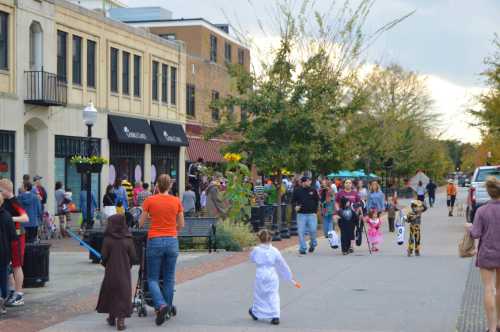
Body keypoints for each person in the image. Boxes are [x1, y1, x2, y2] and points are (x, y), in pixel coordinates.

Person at [139, 174, 184, 326]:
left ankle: (161, 305)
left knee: (152, 278)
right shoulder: (176, 201)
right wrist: (172, 229)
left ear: (157, 185)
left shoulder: (149, 200)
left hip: (155, 240)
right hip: (172, 240)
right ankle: (168, 308)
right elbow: (181, 224)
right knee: (169, 278)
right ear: (170, 186)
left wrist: (152, 218)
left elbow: (141, 222)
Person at [466, 176, 500, 332]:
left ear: (488, 192)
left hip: (487, 253)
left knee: (489, 289)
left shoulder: (482, 210)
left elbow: (476, 233)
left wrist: (469, 227)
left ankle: (492, 328)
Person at [248, 229, 300, 325]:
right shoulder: (274, 250)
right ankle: (275, 315)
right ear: (271, 239)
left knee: (260, 294)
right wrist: (289, 276)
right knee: (273, 294)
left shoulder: (256, 250)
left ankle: (256, 312)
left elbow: (251, 259)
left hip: (260, 274)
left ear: (259, 239)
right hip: (272, 274)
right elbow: (282, 264)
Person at [96, 214, 136, 331]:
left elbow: (103, 257)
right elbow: (133, 256)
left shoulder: (108, 239)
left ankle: (112, 317)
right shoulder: (128, 239)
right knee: (123, 294)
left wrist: (105, 263)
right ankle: (121, 321)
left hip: (111, 271)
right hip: (124, 271)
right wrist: (130, 264)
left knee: (111, 292)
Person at [0, 179, 29, 307]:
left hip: (17, 237)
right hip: (9, 237)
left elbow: (25, 217)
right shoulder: (6, 202)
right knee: (9, 265)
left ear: (6, 190)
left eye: (0, 190)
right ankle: (12, 291)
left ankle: (19, 294)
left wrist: (8, 218)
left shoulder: (14, 202)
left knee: (16, 265)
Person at [292, 176, 319, 255]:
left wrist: (316, 211)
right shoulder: (297, 190)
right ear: (303, 182)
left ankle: (312, 244)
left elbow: (317, 200)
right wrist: (295, 206)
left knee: (313, 231)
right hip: (301, 215)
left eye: (310, 181)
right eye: (307, 181)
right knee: (301, 232)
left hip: (312, 214)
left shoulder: (313, 190)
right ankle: (302, 248)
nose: (309, 182)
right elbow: (293, 201)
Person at [0, 194, 17, 315]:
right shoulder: (6, 215)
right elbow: (13, 236)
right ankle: (3, 297)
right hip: (4, 252)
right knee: (3, 277)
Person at [335, 179, 361, 254]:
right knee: (343, 232)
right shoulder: (340, 193)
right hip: (342, 214)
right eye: (346, 183)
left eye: (349, 183)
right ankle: (344, 249)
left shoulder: (355, 193)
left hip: (352, 215)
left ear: (351, 184)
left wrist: (358, 213)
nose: (348, 184)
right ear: (344, 184)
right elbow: (336, 202)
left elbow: (359, 203)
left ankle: (349, 246)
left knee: (350, 232)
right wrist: (338, 211)